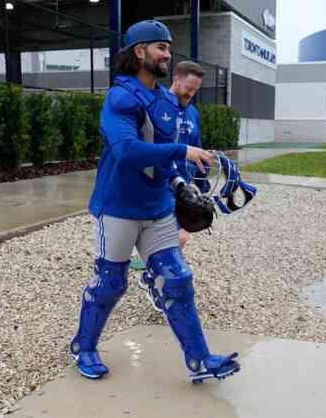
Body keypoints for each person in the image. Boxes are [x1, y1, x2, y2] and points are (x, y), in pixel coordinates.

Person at [69, 20, 241, 384]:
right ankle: (83, 346)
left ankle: (200, 359)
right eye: (161, 47)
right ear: (139, 51)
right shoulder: (119, 98)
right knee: (111, 283)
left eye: (168, 47)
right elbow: (129, 152)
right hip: (117, 207)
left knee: (177, 278)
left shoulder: (165, 99)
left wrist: (180, 183)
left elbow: (162, 160)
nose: (167, 54)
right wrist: (183, 149)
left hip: (158, 208)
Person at [138, 60, 205, 311]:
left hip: (183, 187)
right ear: (176, 80)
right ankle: (157, 280)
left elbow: (195, 147)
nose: (191, 93)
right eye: (188, 87)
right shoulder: (157, 105)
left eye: (196, 90)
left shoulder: (192, 113)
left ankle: (155, 277)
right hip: (160, 183)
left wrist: (201, 182)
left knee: (179, 238)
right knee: (177, 236)